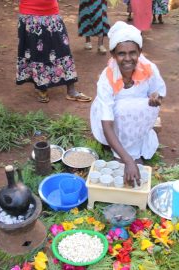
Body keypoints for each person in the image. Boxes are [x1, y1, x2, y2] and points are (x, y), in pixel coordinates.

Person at [90, 21, 166, 186]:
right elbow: (107, 123)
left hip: (136, 117)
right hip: (115, 120)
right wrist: (128, 160)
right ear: (113, 54)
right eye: (121, 54)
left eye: (133, 53)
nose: (128, 59)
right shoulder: (107, 78)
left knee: (145, 107)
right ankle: (122, 153)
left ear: (140, 51)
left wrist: (155, 98)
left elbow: (159, 93)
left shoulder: (149, 69)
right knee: (123, 110)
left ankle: (135, 145)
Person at [16, 0, 92, 103]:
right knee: (37, 52)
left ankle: (71, 90)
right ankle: (42, 88)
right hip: (30, 14)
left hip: (52, 12)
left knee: (63, 49)